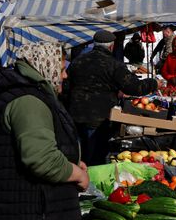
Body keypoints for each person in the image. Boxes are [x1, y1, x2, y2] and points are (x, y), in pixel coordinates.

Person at [0, 41, 89, 220]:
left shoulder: (29, 93)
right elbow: (42, 159)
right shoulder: (28, 101)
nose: (65, 76)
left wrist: (71, 160)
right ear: (45, 65)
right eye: (62, 69)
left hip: (31, 214)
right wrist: (77, 174)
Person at [67, 30, 158, 164]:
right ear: (111, 46)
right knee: (95, 158)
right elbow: (134, 87)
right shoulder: (113, 64)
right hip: (98, 118)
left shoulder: (78, 61)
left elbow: (66, 86)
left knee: (79, 156)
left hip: (75, 116)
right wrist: (153, 83)